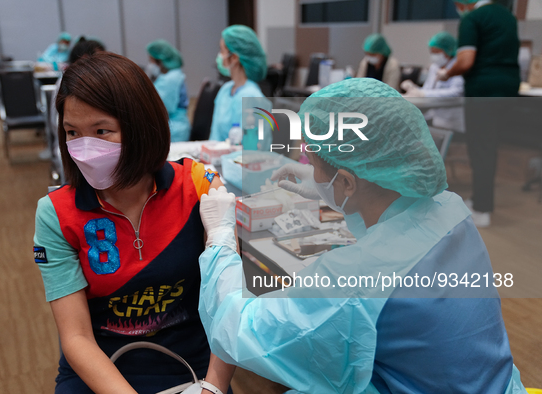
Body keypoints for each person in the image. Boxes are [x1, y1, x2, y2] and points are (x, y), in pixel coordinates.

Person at [196, 78, 527, 393]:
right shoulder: (451, 209)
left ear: (348, 182)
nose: (310, 169)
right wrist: (329, 191)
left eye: (312, 163)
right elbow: (394, 223)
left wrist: (221, 238)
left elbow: (237, 328)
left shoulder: (354, 281)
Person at [33, 52, 235, 393]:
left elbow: (229, 303)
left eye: (101, 131)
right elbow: (76, 336)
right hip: (101, 368)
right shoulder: (56, 213)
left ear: (140, 126)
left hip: (194, 365)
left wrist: (213, 387)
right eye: (72, 132)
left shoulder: (200, 186)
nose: (84, 148)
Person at [438, 0, 520, 227]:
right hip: (507, 90)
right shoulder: (507, 16)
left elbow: (465, 61)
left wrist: (446, 73)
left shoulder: (472, 19)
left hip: (483, 91)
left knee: (480, 148)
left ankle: (482, 209)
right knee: (489, 147)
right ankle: (479, 199)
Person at [210, 25, 272, 150]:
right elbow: (214, 137)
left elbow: (254, 149)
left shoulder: (253, 97)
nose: (219, 56)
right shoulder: (225, 90)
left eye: (222, 51)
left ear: (234, 58)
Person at [402, 31, 465, 132]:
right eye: (432, 52)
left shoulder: (457, 67)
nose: (434, 55)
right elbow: (428, 89)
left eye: (437, 52)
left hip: (453, 122)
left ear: (449, 50)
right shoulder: (434, 67)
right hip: (436, 119)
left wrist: (423, 93)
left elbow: (457, 92)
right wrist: (413, 89)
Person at [146, 40, 191, 142]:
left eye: (151, 61)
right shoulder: (171, 76)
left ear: (160, 61)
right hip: (173, 127)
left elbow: (159, 107)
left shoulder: (171, 79)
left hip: (175, 131)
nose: (149, 65)